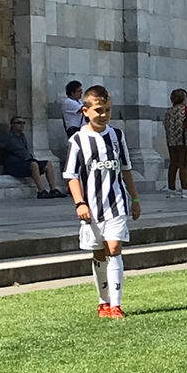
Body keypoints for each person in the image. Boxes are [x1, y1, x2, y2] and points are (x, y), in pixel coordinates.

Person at [63, 85, 141, 320]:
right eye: (99, 110)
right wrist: (80, 203)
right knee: (99, 253)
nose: (104, 114)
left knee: (114, 248)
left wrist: (135, 198)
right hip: (92, 207)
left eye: (107, 109)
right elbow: (71, 176)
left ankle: (116, 305)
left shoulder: (117, 135)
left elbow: (126, 169)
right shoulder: (78, 140)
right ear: (85, 111)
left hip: (116, 203)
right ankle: (103, 302)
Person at [0, 116, 65, 198]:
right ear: (12, 125)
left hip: (25, 162)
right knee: (33, 165)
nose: (22, 125)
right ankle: (41, 191)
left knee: (48, 164)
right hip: (14, 164)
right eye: (19, 123)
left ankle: (53, 189)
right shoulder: (7, 136)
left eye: (23, 123)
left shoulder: (22, 136)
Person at [163, 88, 187, 198]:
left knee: (173, 165)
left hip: (171, 142)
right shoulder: (185, 110)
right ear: (183, 98)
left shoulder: (169, 112)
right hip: (184, 141)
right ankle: (185, 188)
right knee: (184, 165)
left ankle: (171, 189)